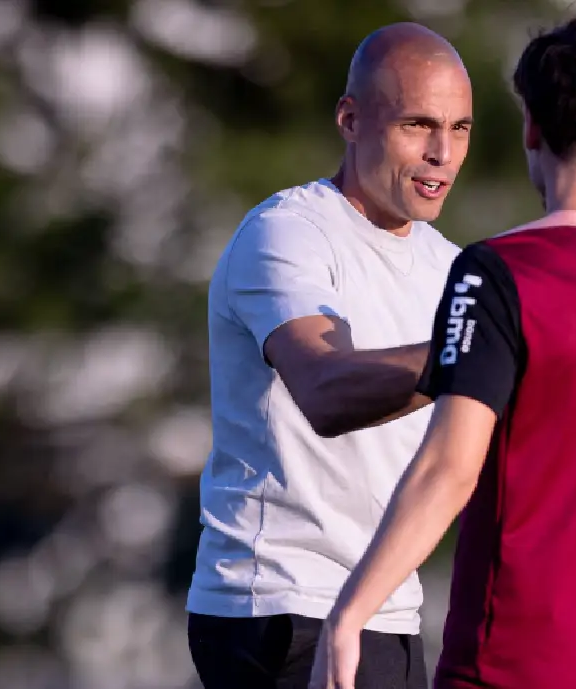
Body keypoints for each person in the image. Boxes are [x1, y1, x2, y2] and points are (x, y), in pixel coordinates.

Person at [309, 14, 576, 689]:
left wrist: (351, 610)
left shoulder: (499, 272)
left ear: (532, 129)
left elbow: (448, 468)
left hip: (517, 661)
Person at [185, 23, 473, 689]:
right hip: (282, 606)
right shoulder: (287, 233)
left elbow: (498, 452)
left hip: (390, 611)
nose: (442, 153)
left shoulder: (453, 267)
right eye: (418, 125)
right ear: (350, 118)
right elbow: (323, 389)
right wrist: (474, 354)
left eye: (460, 129)